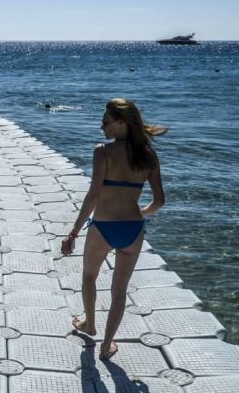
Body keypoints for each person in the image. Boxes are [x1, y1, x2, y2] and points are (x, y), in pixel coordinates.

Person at [61, 98, 166, 360]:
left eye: (106, 122)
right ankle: (107, 345)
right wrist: (139, 214)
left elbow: (94, 193)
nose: (101, 127)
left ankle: (90, 325)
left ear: (121, 123)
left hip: (103, 227)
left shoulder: (103, 152)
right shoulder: (149, 156)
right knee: (119, 292)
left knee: (89, 277)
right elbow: (159, 201)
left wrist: (74, 232)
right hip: (133, 229)